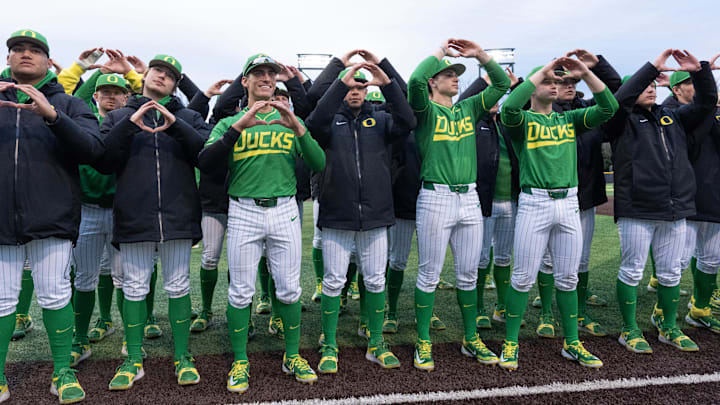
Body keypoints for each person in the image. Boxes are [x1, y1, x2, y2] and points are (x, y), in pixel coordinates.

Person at [198, 53, 326, 393]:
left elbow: (318, 161)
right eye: (258, 73)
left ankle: (293, 355)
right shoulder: (229, 123)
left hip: (285, 208)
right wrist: (240, 125)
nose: (265, 78)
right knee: (241, 290)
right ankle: (241, 359)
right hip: (243, 209)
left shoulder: (290, 121)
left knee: (288, 288)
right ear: (245, 81)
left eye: (271, 73)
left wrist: (298, 126)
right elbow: (206, 162)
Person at [0, 28, 104, 404]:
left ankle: (62, 371)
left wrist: (52, 115)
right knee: (1, 300)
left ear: (48, 60)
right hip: (1, 220)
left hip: (51, 215)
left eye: (34, 50)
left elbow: (94, 150)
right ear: (9, 58)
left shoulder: (71, 103)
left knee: (55, 294)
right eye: (18, 49)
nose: (25, 54)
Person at [498, 56, 618, 371]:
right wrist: (541, 73)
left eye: (559, 82)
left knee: (568, 277)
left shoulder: (570, 119)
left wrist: (587, 73)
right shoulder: (522, 120)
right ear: (534, 86)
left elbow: (609, 109)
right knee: (523, 277)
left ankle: (572, 342)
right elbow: (510, 108)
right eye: (549, 82)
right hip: (534, 202)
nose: (555, 86)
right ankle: (511, 342)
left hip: (569, 203)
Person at [98, 54, 210, 390]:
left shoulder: (189, 115)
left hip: (178, 214)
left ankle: (182, 356)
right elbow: (102, 158)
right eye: (157, 70)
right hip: (134, 215)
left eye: (170, 75)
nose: (162, 76)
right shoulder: (119, 114)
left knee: (178, 286)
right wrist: (132, 121)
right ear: (145, 75)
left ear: (176, 84)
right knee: (133, 288)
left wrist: (174, 123)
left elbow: (206, 154)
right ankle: (133, 358)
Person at [305, 59, 415, 373]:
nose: (355, 91)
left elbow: (408, 121)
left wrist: (387, 83)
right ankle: (329, 344)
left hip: (376, 215)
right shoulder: (329, 123)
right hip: (337, 214)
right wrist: (341, 80)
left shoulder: (380, 120)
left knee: (375, 279)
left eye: (361, 86)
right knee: (333, 282)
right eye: (350, 86)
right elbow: (313, 123)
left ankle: (376, 343)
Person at [604, 49, 717, 354]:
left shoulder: (674, 117)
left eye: (654, 84)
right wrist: (652, 67)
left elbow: (707, 103)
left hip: (675, 209)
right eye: (645, 85)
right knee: (632, 270)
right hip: (637, 210)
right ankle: (629, 329)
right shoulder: (620, 120)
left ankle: (669, 326)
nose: (651, 87)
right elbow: (621, 99)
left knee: (670, 273)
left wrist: (700, 71)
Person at [408, 38, 510, 371]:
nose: (456, 78)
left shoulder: (468, 107)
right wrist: (439, 51)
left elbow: (502, 84)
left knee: (468, 273)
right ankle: (423, 340)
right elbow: (413, 81)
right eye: (448, 73)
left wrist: (481, 54)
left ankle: (470, 338)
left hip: (469, 197)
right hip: (435, 197)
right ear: (433, 80)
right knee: (429, 274)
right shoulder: (424, 110)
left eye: (457, 74)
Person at [70, 73, 129, 367]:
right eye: (104, 91)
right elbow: (72, 99)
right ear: (94, 95)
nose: (110, 96)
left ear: (126, 97)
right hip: (88, 209)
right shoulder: (84, 122)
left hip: (122, 211)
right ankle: (80, 339)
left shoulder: (131, 124)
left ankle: (125, 333)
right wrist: (91, 68)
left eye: (117, 92)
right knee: (84, 277)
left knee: (124, 279)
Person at [662, 65, 720, 334]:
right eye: (690, 82)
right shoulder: (672, 115)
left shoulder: (713, 113)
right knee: (677, 262)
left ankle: (700, 309)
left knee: (711, 259)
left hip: (714, 197)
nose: (697, 87)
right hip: (686, 199)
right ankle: (662, 312)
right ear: (676, 90)